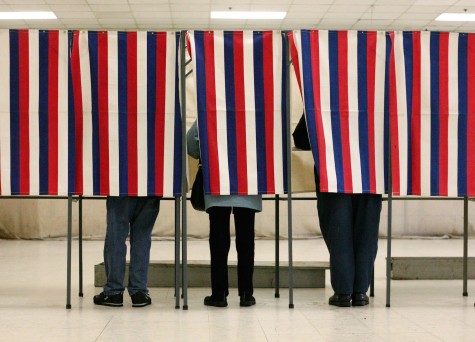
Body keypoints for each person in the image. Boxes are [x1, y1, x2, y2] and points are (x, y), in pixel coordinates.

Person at [293, 114, 382, 307]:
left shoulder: (323, 92)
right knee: (367, 231)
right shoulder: (377, 94)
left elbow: (300, 138)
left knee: (338, 232)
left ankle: (343, 292)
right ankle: (360, 292)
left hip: (333, 173)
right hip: (371, 171)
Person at [187, 121, 262, 307]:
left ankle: (219, 294)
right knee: (246, 241)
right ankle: (246, 294)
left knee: (219, 241)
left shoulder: (210, 107)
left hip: (216, 182)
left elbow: (191, 142)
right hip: (248, 183)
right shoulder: (254, 110)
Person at [93, 196, 161, 307]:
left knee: (116, 236)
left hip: (121, 187)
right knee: (142, 238)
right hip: (151, 188)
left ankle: (113, 292)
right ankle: (139, 292)